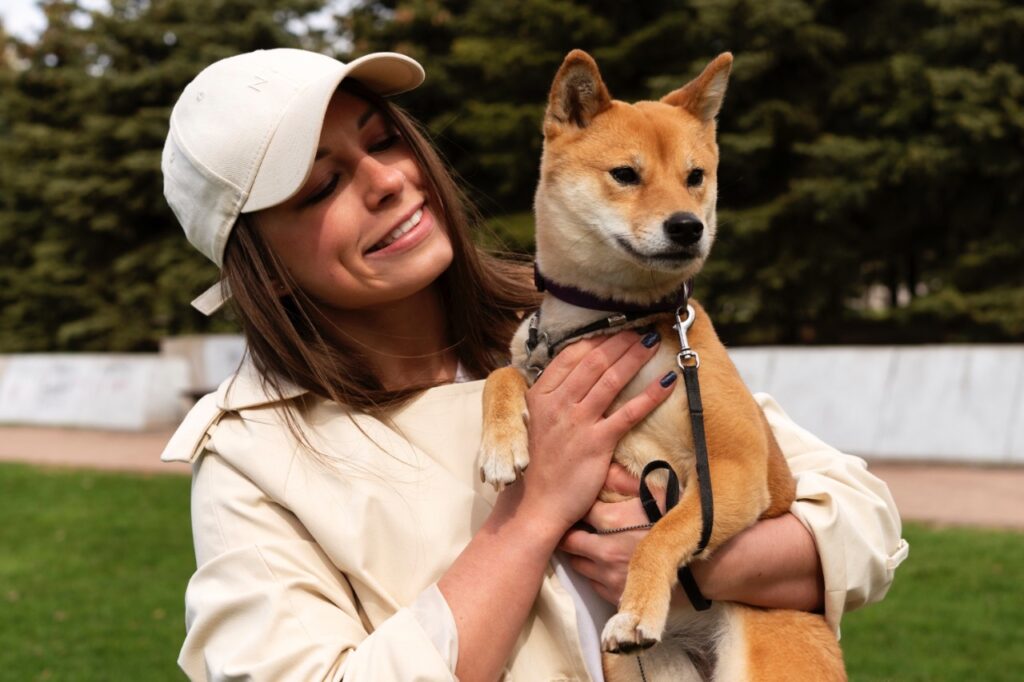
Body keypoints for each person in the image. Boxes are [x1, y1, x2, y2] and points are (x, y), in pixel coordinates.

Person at [160, 47, 908, 681]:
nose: (386, 181)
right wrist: (530, 518)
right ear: (261, 267)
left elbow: (863, 524)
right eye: (322, 185)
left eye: (385, 139)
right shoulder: (251, 454)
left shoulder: (599, 311)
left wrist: (686, 567)